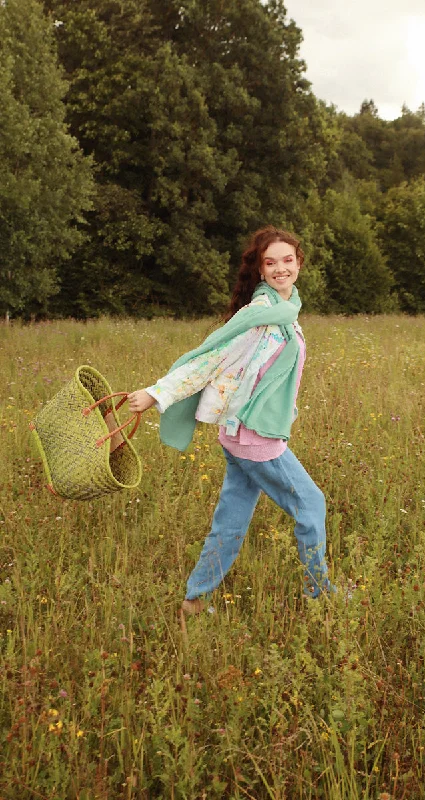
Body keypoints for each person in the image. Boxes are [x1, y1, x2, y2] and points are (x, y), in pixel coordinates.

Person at [128, 226, 332, 615]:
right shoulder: (260, 315)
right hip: (254, 438)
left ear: (299, 263)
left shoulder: (285, 310)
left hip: (240, 433)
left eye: (287, 260)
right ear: (259, 269)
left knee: (231, 520)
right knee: (311, 505)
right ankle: (319, 595)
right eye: (270, 262)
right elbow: (209, 358)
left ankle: (194, 599)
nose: (280, 268)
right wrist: (158, 393)